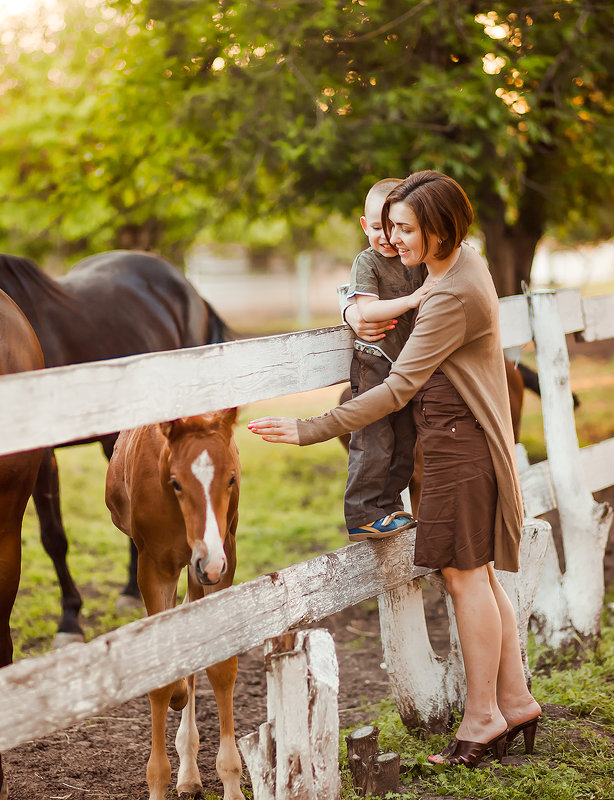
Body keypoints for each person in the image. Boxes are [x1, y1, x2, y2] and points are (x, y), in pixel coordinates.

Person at [248, 170, 541, 768]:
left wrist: (308, 429)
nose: (394, 238)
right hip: (467, 438)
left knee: (465, 580)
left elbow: (397, 389)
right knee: (479, 578)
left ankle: (483, 717)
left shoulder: (447, 296)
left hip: (459, 446)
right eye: (387, 226)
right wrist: (352, 304)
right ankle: (515, 700)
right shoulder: (464, 263)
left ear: (438, 228)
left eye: (405, 228)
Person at [342, 177, 430, 542]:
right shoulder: (368, 262)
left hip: (406, 366)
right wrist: (413, 300)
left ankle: (390, 507)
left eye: (394, 227)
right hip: (375, 362)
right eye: (378, 227)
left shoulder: (415, 261)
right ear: (365, 226)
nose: (387, 236)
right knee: (373, 438)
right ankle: (362, 513)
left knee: (403, 441)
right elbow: (369, 310)